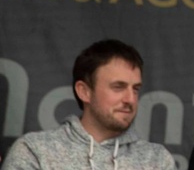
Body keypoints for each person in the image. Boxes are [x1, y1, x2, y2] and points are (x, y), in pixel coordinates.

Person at [1, 38, 175, 170]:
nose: (130, 99)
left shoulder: (157, 160)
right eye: (118, 87)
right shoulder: (35, 150)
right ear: (84, 91)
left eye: (136, 89)